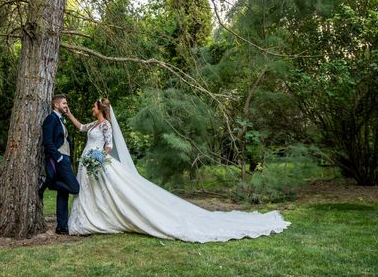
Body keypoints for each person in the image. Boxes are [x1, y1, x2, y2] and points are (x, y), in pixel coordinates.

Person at [64, 98, 290, 243]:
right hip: (88, 162)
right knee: (89, 191)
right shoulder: (92, 125)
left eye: (93, 106)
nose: (91, 109)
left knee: (115, 192)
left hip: (98, 162)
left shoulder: (105, 125)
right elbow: (79, 126)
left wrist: (99, 158)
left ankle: (104, 218)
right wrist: (68, 113)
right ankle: (89, 219)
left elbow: (109, 146)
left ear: (100, 109)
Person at [40, 94, 80, 235]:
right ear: (56, 105)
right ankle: (48, 183)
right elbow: (47, 141)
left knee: (63, 193)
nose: (66, 105)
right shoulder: (51, 119)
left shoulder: (60, 119)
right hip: (60, 159)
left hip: (65, 158)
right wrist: (59, 158)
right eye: (64, 103)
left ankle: (61, 227)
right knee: (75, 188)